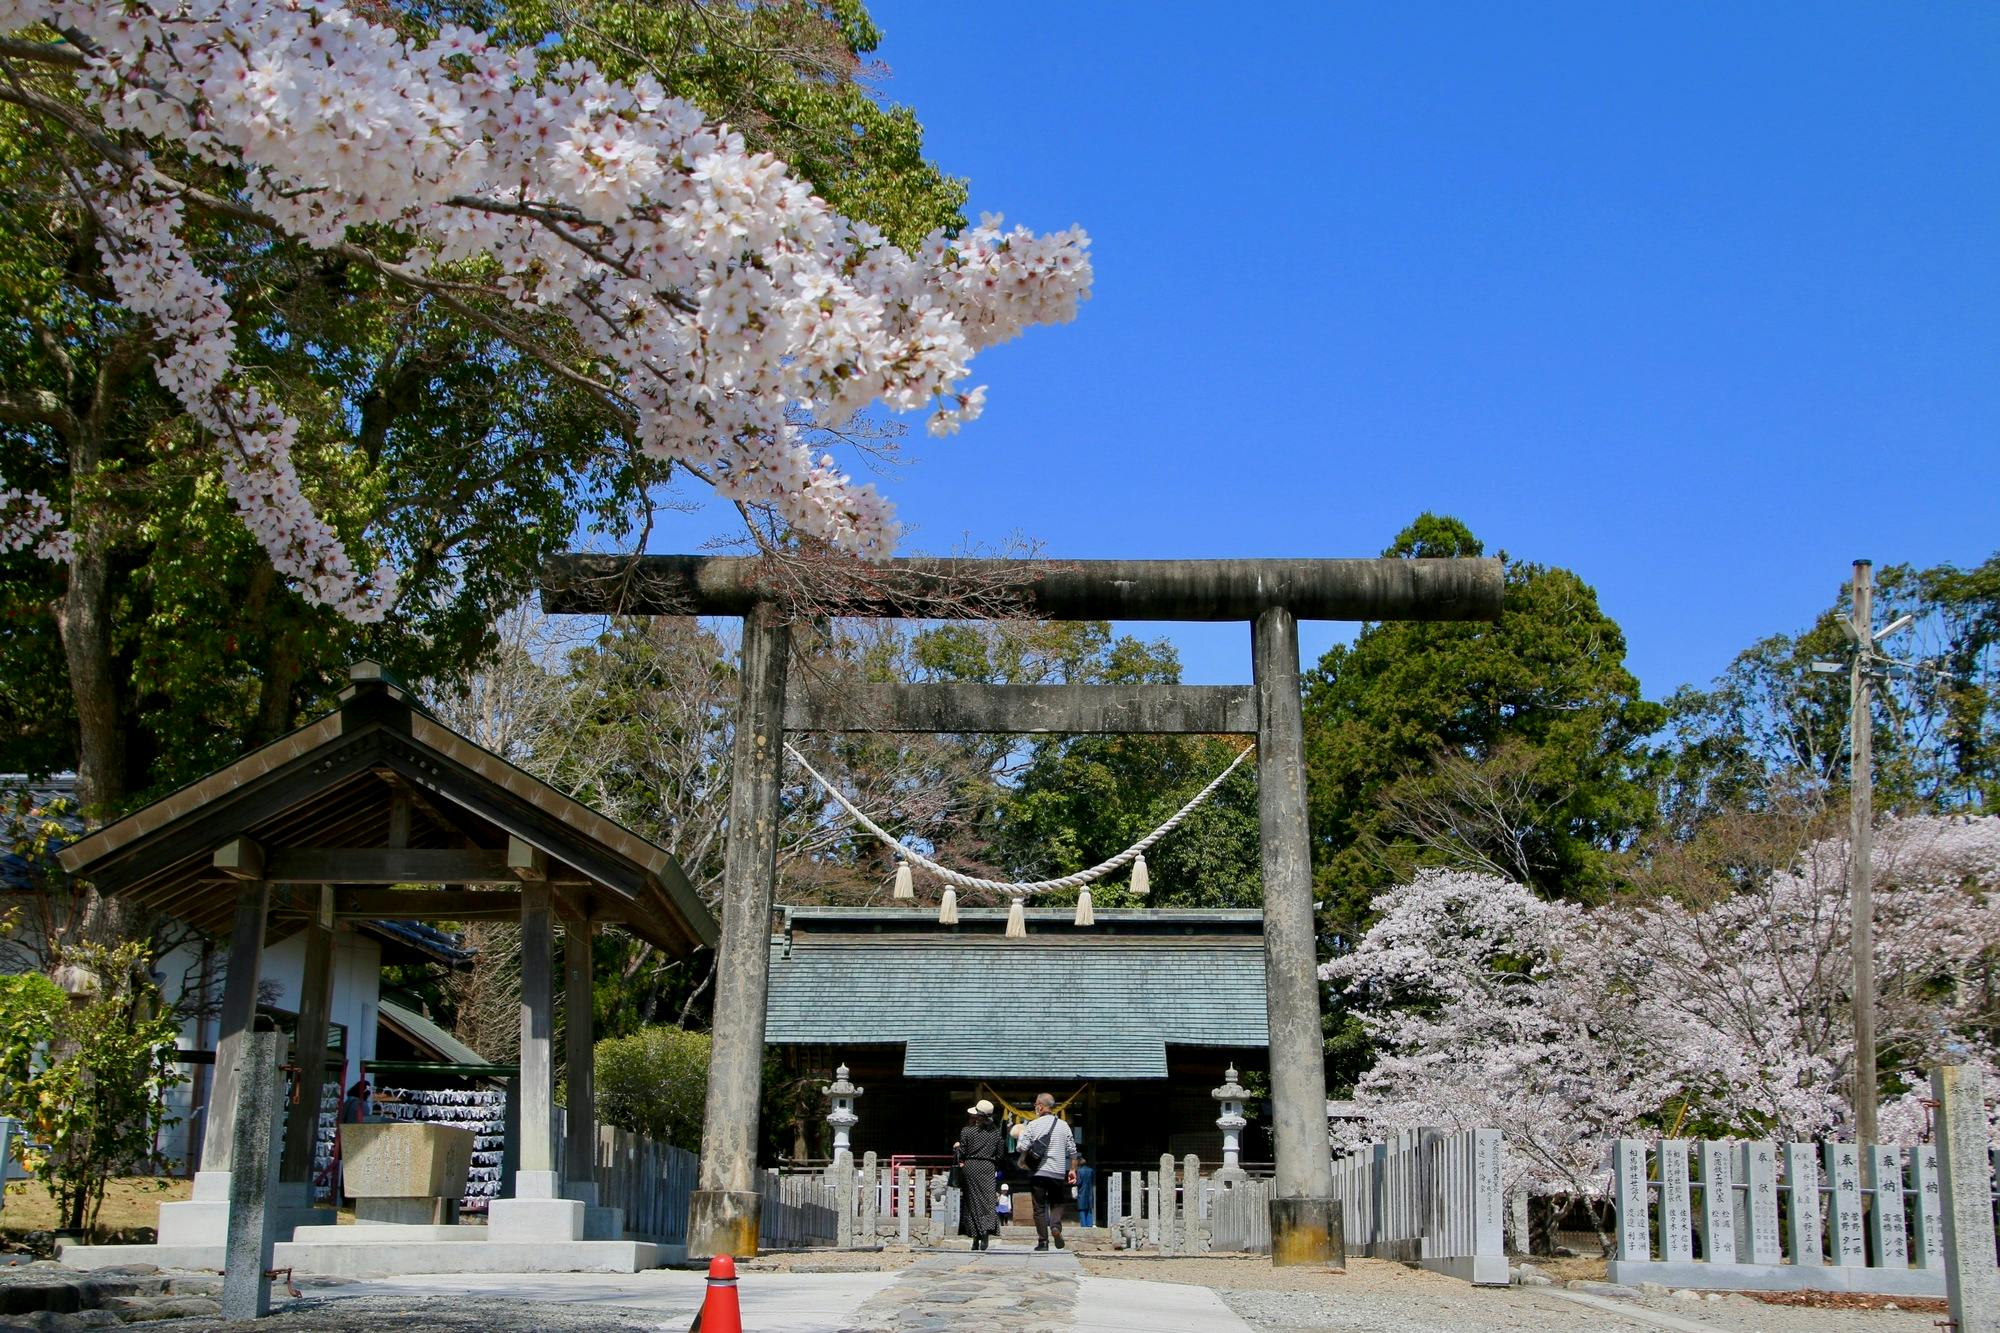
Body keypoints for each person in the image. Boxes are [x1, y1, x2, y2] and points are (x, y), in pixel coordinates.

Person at [1017, 1092, 1078, 1251]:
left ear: (1041, 1106)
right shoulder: (1064, 1125)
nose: (1035, 1106)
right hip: (1057, 1172)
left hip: (1038, 1173)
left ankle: (1043, 1242)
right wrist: (1072, 1170)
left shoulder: (1033, 1125)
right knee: (1058, 1203)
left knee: (1039, 1208)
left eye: (1036, 1104)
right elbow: (1073, 1150)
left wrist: (1020, 1135)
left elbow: (1022, 1148)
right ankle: (1055, 1226)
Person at [953, 1099, 1004, 1251]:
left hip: (971, 1166)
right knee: (987, 1201)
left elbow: (962, 1153)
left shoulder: (966, 1131)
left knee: (972, 1202)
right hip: (988, 1167)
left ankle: (976, 1237)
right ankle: (985, 1231)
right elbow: (1000, 1154)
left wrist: (957, 1148)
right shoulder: (996, 1133)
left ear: (976, 1116)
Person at [1073, 1151, 1097, 1229]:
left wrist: (1075, 1182)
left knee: (1082, 1209)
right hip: (1089, 1192)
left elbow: (1079, 1182)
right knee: (1089, 1209)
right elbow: (1093, 1181)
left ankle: (1083, 1225)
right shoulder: (1091, 1170)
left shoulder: (1079, 1171)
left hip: (1081, 1192)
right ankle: (1089, 1223)